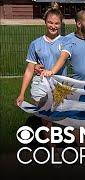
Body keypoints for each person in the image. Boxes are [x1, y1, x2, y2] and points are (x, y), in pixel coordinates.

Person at [41, 10, 85, 147]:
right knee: (77, 119)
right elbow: (56, 57)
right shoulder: (67, 40)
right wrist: (41, 67)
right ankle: (83, 146)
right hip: (77, 88)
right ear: (79, 24)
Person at [16, 3, 66, 149]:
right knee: (46, 120)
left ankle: (81, 146)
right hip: (41, 86)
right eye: (50, 22)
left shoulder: (66, 42)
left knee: (65, 118)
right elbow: (29, 70)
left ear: (61, 24)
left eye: (57, 23)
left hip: (60, 86)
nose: (53, 26)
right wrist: (21, 94)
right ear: (45, 22)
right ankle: (53, 149)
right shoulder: (35, 44)